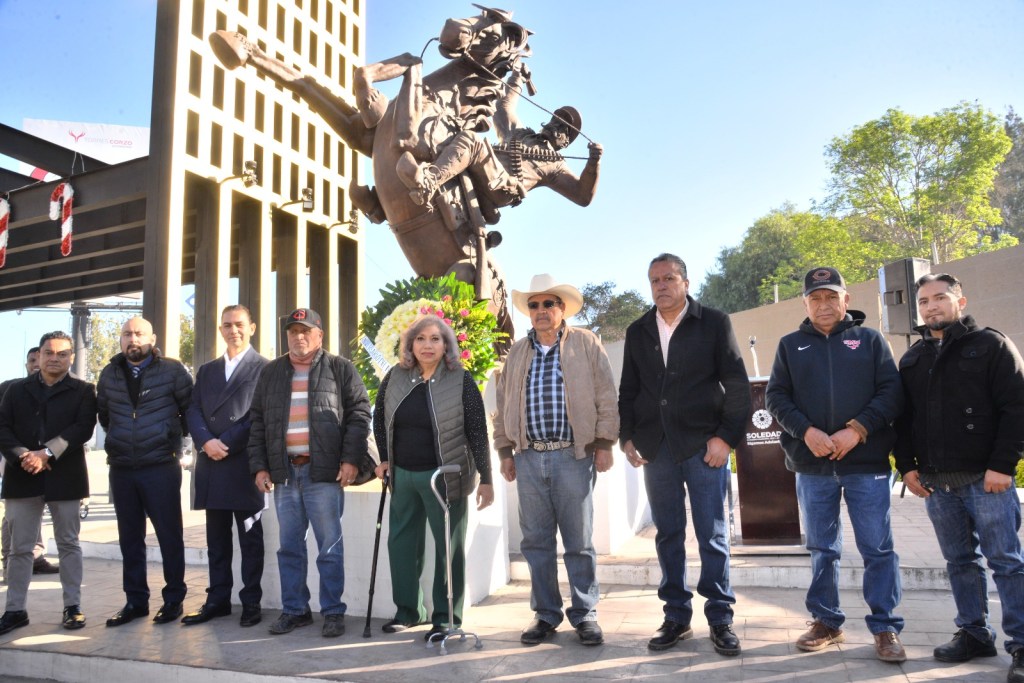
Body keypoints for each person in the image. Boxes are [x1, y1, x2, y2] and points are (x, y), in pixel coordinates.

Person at [765, 266, 906, 662]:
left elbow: (892, 393)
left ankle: (886, 628)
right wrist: (806, 431)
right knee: (822, 548)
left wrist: (858, 430)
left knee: (877, 548)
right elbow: (776, 397)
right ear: (805, 303)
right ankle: (826, 621)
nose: (823, 305)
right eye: (815, 298)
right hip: (813, 466)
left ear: (846, 300)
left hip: (867, 463)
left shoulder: (871, 341)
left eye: (831, 297)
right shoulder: (790, 345)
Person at [894, 273, 1024, 682]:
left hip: (987, 481)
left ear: (960, 300)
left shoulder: (991, 345)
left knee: (1006, 563)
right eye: (925, 302)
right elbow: (904, 421)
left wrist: (1003, 466)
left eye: (940, 298)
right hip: (937, 484)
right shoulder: (913, 358)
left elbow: (1016, 409)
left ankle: (1020, 643)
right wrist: (907, 466)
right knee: (959, 563)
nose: (932, 307)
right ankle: (973, 633)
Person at [619, 253, 750, 656]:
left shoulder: (713, 322)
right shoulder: (638, 330)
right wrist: (627, 437)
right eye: (654, 279)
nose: (661, 285)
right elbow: (629, 389)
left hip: (703, 447)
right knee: (668, 534)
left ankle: (720, 618)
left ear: (686, 282)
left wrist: (725, 438)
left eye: (669, 278)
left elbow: (737, 384)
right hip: (656, 449)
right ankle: (676, 615)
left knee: (712, 534)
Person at [492, 273, 618, 647]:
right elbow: (502, 406)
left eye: (549, 304)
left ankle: (585, 614)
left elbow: (606, 395)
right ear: (528, 312)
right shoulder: (517, 351)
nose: (542, 310)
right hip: (529, 458)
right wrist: (504, 451)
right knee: (536, 541)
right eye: (535, 305)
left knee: (579, 541)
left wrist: (604, 442)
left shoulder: (586, 342)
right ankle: (546, 614)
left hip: (572, 456)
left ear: (562, 309)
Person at [249, 308, 371, 638]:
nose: (298, 336)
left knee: (329, 548)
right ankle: (295, 610)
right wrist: (260, 466)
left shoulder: (340, 368)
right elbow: (257, 421)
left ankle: (333, 612)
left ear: (319, 335)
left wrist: (350, 460)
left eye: (306, 331)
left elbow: (360, 414)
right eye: (292, 331)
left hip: (324, 475)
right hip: (285, 474)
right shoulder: (271, 372)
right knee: (289, 547)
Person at [372, 316, 493, 641]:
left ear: (447, 344)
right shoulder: (395, 377)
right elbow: (380, 417)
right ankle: (408, 612)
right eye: (421, 339)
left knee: (447, 550)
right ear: (410, 344)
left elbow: (477, 431)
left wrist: (486, 477)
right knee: (401, 545)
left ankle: (446, 618)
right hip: (403, 476)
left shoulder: (461, 380)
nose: (428, 345)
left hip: (446, 477)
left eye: (435, 339)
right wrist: (384, 458)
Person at [396, 70, 603, 218]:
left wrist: (593, 162)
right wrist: (517, 78)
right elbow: (503, 108)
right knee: (447, 131)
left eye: (562, 127)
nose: (554, 125)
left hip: (504, 187)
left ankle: (427, 184)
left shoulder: (556, 165)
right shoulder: (521, 134)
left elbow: (583, 196)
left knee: (471, 140)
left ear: (565, 142)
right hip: (483, 169)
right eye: (555, 120)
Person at [98, 317, 194, 627]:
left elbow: (189, 411)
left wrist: (169, 438)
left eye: (139, 333)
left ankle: (173, 599)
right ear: (121, 339)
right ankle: (135, 601)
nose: (132, 339)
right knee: (130, 539)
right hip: (123, 468)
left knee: (169, 535)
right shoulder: (109, 374)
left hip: (160, 466)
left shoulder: (173, 370)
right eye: (127, 333)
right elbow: (105, 417)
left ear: (152, 338)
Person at [0, 332, 96, 635]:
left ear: (71, 357)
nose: (55, 358)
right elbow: (2, 427)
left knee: (69, 544)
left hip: (65, 477)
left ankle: (72, 607)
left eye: (62, 354)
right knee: (20, 548)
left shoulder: (83, 391)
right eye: (49, 353)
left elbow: (83, 427)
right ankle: (15, 610)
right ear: (39, 355)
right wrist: (23, 456)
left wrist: (47, 452)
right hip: (22, 476)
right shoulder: (15, 390)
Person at [183, 305, 270, 628]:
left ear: (252, 328)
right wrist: (206, 441)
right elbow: (193, 410)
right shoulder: (206, 371)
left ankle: (251, 602)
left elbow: (257, 416)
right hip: (211, 464)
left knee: (250, 542)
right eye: (227, 325)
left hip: (244, 465)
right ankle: (217, 599)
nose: (233, 330)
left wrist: (226, 443)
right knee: (216, 542)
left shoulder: (264, 367)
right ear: (220, 330)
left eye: (239, 324)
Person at [1, 347, 60, 580]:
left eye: (40, 358)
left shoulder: (61, 390)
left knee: (38, 510)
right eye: (31, 360)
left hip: (49, 461)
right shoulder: (10, 388)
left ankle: (36, 557)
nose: (36, 363)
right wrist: (25, 456)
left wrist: (46, 454)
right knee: (13, 515)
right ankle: (9, 561)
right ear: (26, 364)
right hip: (15, 461)